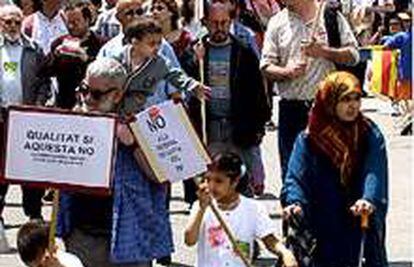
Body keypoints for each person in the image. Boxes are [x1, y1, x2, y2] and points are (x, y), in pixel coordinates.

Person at [57, 57, 173, 267]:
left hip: (128, 242)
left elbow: (162, 175)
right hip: (81, 238)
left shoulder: (140, 123)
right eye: (84, 90)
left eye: (96, 94)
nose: (88, 99)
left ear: (118, 94)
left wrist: (132, 143)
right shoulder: (73, 123)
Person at [281, 72, 392, 267]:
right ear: (329, 101)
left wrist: (368, 198)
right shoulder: (309, 138)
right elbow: (295, 177)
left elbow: (375, 170)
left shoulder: (369, 133)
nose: (352, 106)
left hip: (357, 224)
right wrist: (295, 202)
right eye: (345, 99)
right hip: (321, 229)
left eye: (356, 98)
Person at [184, 152, 299, 267]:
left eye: (219, 181)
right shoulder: (201, 207)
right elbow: (189, 240)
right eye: (207, 179)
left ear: (235, 181)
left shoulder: (253, 208)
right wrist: (201, 209)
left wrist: (285, 253)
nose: (211, 186)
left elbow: (270, 240)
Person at [260, 0, 359, 181]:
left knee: (330, 174)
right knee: (293, 175)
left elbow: (354, 55)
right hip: (292, 111)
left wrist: (324, 52)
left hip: (328, 109)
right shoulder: (277, 22)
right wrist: (287, 72)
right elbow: (266, 67)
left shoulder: (330, 16)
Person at [183, 2, 270, 196]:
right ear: (205, 22)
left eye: (224, 23)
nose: (220, 28)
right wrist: (194, 60)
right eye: (215, 23)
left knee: (240, 185)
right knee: (211, 184)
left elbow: (258, 92)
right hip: (209, 128)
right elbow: (184, 83)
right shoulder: (196, 51)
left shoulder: (243, 52)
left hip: (238, 128)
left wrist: (259, 127)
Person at [0, 4, 51, 226]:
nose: (12, 26)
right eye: (7, 21)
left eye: (16, 22)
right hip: (1, 117)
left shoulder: (34, 48)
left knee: (30, 167)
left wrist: (37, 106)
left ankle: (34, 213)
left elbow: (44, 82)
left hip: (27, 117)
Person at [112, 18, 209, 116]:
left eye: (159, 43)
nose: (157, 48)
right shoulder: (117, 59)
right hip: (116, 112)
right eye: (151, 44)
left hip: (141, 114)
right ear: (135, 42)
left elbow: (175, 74)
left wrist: (192, 85)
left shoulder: (160, 63)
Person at [45, 2, 105, 109]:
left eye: (76, 22)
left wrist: (86, 59)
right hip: (64, 104)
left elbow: (105, 75)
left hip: (92, 105)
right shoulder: (58, 43)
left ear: (87, 20)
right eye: (68, 23)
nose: (71, 26)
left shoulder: (101, 44)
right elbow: (45, 72)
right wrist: (55, 57)